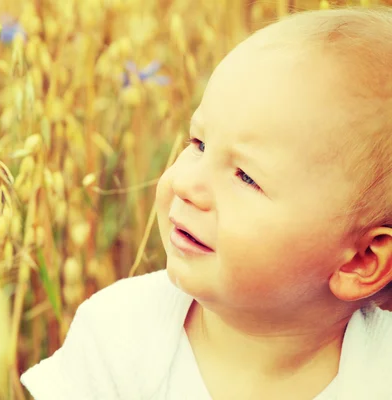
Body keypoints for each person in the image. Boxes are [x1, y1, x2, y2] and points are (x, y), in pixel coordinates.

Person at [20, 7, 392, 399]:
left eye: (246, 177)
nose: (186, 184)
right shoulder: (120, 335)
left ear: (361, 260)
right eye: (198, 144)